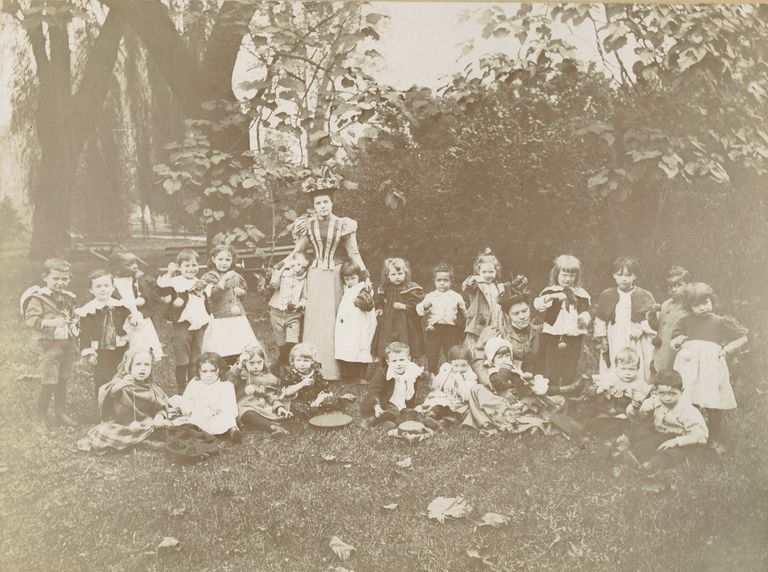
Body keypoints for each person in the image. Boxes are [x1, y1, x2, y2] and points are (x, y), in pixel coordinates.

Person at [280, 173, 369, 380]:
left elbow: (353, 252)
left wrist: (364, 275)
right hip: (316, 274)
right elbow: (299, 250)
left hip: (336, 275)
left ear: (332, 203)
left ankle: (335, 370)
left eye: (325, 202)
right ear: (313, 205)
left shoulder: (344, 224)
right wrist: (282, 265)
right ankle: (312, 368)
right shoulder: (306, 224)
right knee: (314, 320)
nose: (322, 206)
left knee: (335, 319)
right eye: (318, 203)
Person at [671, 283, 748, 450]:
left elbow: (743, 338)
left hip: (711, 365)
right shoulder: (685, 320)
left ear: (711, 301)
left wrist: (726, 350)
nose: (702, 307)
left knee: (713, 400)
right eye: (696, 305)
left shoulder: (720, 321)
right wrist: (677, 342)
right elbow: (674, 340)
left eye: (705, 302)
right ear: (689, 306)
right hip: (689, 365)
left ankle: (713, 437)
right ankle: (691, 431)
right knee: (689, 398)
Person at [76, 348, 173, 453]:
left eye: (147, 365)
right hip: (122, 424)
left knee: (168, 427)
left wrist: (159, 416)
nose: (143, 368)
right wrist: (118, 387)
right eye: (138, 364)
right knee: (105, 431)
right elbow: (107, 394)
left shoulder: (152, 387)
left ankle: (139, 440)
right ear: (129, 367)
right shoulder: (122, 383)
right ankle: (142, 442)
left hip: (145, 423)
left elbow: (160, 406)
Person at [20, 258, 79, 426]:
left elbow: (72, 316)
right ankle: (40, 417)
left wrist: (76, 320)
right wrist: (49, 322)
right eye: (56, 278)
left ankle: (60, 413)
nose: (61, 282)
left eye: (64, 279)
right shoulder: (38, 298)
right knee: (49, 380)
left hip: (68, 344)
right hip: (50, 346)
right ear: (45, 277)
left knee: (63, 378)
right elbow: (30, 319)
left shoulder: (68, 298)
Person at [624, 369, 708, 471]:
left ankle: (651, 465)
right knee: (645, 444)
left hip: (683, 440)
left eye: (672, 394)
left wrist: (676, 441)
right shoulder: (654, 401)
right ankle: (629, 458)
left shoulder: (688, 411)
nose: (667, 399)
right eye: (662, 394)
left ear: (682, 391)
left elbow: (701, 436)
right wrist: (635, 407)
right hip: (661, 435)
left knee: (673, 454)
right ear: (655, 392)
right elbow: (637, 417)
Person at [593, 257, 656, 382]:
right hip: (615, 334)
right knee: (614, 356)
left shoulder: (644, 295)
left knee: (637, 358)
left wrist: (641, 330)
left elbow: (651, 318)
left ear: (635, 276)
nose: (624, 279)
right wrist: (602, 337)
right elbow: (600, 319)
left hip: (635, 336)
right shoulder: (607, 295)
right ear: (614, 275)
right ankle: (614, 389)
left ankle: (638, 389)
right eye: (620, 274)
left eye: (628, 275)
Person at [533, 255, 591, 391]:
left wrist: (584, 319)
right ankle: (551, 392)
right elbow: (538, 305)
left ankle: (568, 390)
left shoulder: (580, 293)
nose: (568, 279)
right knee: (551, 365)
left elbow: (585, 311)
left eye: (572, 276)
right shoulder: (550, 291)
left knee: (570, 365)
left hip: (573, 335)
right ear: (556, 274)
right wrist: (552, 297)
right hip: (553, 334)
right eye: (564, 275)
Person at [156, 249, 211, 393]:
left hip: (199, 321)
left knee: (196, 355)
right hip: (183, 322)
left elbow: (205, 300)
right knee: (182, 355)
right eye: (186, 266)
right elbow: (162, 288)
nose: (191, 269)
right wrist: (169, 272)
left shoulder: (199, 282)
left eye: (194, 265)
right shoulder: (174, 282)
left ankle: (193, 387)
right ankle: (181, 388)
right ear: (179, 267)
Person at [473, 275, 541, 386]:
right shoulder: (494, 333)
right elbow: (478, 362)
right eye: (516, 313)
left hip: (528, 383)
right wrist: (492, 385)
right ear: (507, 315)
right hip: (500, 382)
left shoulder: (538, 332)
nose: (522, 316)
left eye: (525, 311)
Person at [76, 270, 133, 400]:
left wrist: (134, 321)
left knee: (121, 374)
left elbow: (130, 322)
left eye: (107, 286)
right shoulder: (88, 310)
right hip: (100, 350)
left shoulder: (120, 306)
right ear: (91, 290)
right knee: (102, 378)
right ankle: (103, 408)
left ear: (113, 287)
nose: (103, 289)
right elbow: (85, 333)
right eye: (98, 286)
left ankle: (121, 405)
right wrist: (88, 352)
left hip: (120, 347)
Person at [200, 245, 259, 365]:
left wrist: (242, 293)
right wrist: (223, 280)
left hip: (237, 318)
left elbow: (244, 291)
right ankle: (223, 367)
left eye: (228, 260)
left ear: (232, 261)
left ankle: (237, 367)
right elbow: (214, 295)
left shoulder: (236, 275)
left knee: (239, 344)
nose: (224, 263)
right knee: (222, 347)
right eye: (220, 259)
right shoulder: (209, 277)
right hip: (220, 319)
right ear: (213, 259)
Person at [171, 353, 241, 442]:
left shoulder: (226, 385)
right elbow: (187, 400)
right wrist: (193, 407)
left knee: (228, 418)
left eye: (213, 371)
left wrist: (217, 410)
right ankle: (201, 434)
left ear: (220, 370)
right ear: (198, 371)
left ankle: (233, 431)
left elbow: (230, 406)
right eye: (204, 371)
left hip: (219, 414)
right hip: (201, 415)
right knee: (191, 423)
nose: (209, 375)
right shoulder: (195, 383)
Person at [586, 347, 652, 439]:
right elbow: (589, 390)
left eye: (632, 369)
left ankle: (616, 435)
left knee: (629, 427)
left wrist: (629, 411)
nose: (627, 373)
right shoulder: (610, 377)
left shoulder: (639, 384)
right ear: (616, 367)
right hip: (606, 411)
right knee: (599, 421)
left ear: (638, 369)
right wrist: (599, 389)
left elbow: (641, 405)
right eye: (623, 369)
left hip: (625, 415)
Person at [110, 251, 165, 360]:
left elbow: (151, 301)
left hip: (140, 320)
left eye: (135, 262)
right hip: (122, 322)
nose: (135, 266)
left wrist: (141, 279)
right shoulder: (113, 284)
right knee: (125, 353)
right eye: (129, 265)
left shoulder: (140, 281)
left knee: (143, 349)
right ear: (118, 268)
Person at [361, 341, 429, 427]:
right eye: (394, 361)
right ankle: (383, 421)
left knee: (411, 412)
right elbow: (374, 390)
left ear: (409, 359)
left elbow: (423, 376)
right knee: (393, 411)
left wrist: (429, 378)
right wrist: (377, 406)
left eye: (402, 360)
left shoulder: (411, 369)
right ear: (388, 362)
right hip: (387, 401)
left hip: (403, 402)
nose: (398, 364)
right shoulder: (384, 374)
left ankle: (399, 420)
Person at [227, 345, 291, 436]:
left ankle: (274, 425)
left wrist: (279, 406)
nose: (256, 366)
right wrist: (239, 365)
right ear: (245, 363)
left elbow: (270, 395)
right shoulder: (241, 374)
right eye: (251, 363)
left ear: (263, 361)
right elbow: (229, 380)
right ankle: (273, 427)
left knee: (278, 413)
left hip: (261, 406)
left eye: (259, 362)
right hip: (245, 406)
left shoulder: (266, 377)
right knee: (247, 414)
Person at [371, 257, 425, 362]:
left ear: (406, 274)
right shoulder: (385, 288)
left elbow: (417, 305)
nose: (397, 277)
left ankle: (407, 361)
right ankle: (387, 363)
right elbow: (379, 301)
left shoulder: (411, 288)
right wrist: (379, 309)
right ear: (387, 276)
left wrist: (404, 306)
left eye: (400, 274)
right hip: (388, 321)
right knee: (388, 340)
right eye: (393, 274)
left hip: (406, 322)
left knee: (407, 340)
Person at [416, 263, 466, 373]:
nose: (442, 283)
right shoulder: (431, 296)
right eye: (439, 280)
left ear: (451, 281)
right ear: (434, 281)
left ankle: (451, 372)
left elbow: (464, 312)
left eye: (445, 280)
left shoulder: (456, 296)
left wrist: (462, 322)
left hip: (451, 328)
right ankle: (432, 373)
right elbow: (419, 311)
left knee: (451, 351)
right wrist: (424, 306)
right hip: (435, 328)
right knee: (432, 351)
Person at [334, 261, 377, 383]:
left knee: (361, 347)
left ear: (359, 276)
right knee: (347, 348)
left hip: (360, 325)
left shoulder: (362, 289)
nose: (351, 281)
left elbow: (368, 304)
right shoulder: (346, 288)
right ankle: (348, 375)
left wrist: (363, 301)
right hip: (347, 325)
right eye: (347, 279)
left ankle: (360, 375)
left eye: (353, 278)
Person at [268, 251, 309, 374]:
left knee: (292, 341)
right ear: (291, 261)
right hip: (276, 313)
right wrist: (282, 269)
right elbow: (273, 285)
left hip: (293, 315)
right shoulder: (283, 274)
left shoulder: (304, 279)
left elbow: (305, 297)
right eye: (297, 264)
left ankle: (282, 365)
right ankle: (284, 366)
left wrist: (300, 305)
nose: (299, 268)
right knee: (281, 342)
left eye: (303, 267)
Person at [416, 345, 478, 423]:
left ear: (469, 363)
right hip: (445, 397)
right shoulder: (447, 369)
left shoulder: (471, 376)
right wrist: (432, 381)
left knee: (449, 409)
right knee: (435, 402)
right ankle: (432, 415)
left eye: (463, 365)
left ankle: (441, 419)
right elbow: (438, 383)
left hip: (459, 403)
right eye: (456, 365)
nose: (460, 369)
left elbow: (467, 396)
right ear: (450, 362)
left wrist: (460, 381)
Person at [462, 248, 506, 357]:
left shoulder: (497, 286)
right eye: (484, 272)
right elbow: (466, 287)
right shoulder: (477, 284)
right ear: (478, 272)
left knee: (494, 342)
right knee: (477, 345)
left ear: (496, 271)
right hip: (479, 321)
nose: (487, 275)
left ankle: (492, 360)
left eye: (491, 272)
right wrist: (472, 280)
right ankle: (475, 361)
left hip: (495, 320)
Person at [279, 343, 336, 419]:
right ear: (293, 361)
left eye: (306, 361)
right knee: (299, 409)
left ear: (312, 361)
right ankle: (316, 411)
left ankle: (316, 407)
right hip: (298, 400)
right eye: (298, 360)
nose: (302, 364)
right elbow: (287, 392)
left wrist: (319, 398)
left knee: (330, 400)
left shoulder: (315, 373)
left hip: (314, 400)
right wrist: (302, 384)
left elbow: (323, 387)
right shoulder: (291, 374)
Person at [651, 266, 691, 373]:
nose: (674, 289)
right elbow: (659, 328)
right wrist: (652, 316)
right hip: (661, 352)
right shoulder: (666, 304)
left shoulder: (691, 306)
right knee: (659, 377)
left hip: (680, 352)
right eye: (670, 286)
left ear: (688, 285)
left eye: (679, 285)